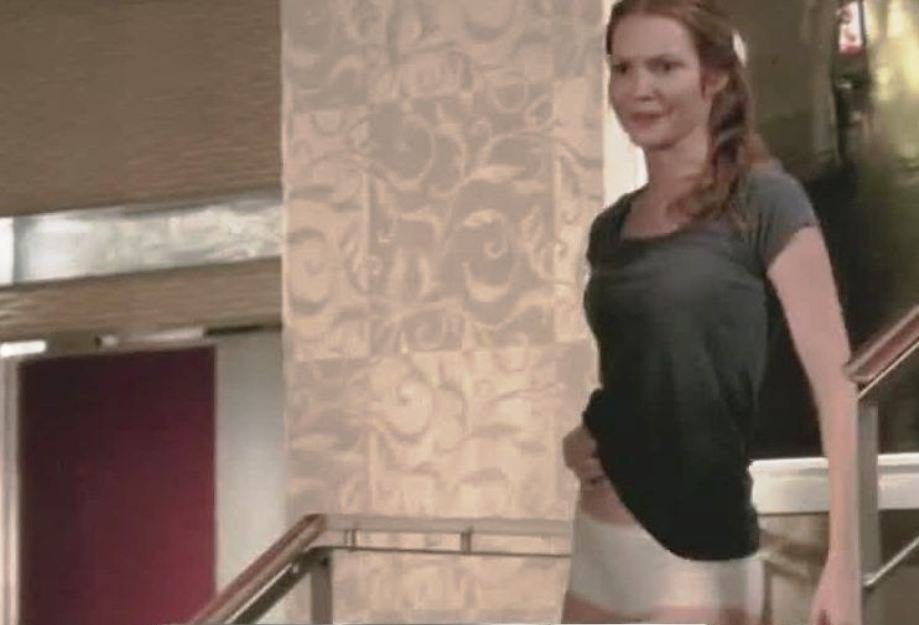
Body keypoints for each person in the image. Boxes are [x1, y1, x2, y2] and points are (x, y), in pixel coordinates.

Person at [560, 1, 860, 624]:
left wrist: (844, 557)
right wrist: (586, 435)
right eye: (623, 68)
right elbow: (647, 369)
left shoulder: (766, 201)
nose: (638, 89)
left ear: (714, 78)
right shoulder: (612, 228)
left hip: (697, 551)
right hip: (600, 534)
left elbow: (838, 387)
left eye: (664, 66)